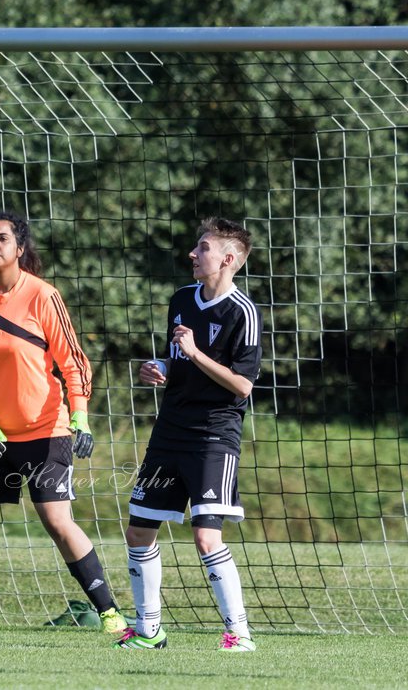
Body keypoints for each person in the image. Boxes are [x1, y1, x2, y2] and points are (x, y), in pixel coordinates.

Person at [0, 212, 127, 634]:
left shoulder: (43, 295)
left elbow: (73, 361)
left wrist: (80, 416)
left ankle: (109, 612)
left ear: (20, 247)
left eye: (3, 238)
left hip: (47, 431)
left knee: (56, 521)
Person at [115, 217, 261, 652]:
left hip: (213, 436)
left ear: (228, 259)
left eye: (203, 248)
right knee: (139, 530)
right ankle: (147, 631)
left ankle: (240, 634)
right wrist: (160, 367)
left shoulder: (243, 312)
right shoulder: (181, 299)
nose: (193, 255)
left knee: (205, 535)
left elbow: (243, 385)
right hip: (169, 430)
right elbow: (177, 359)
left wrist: (195, 354)